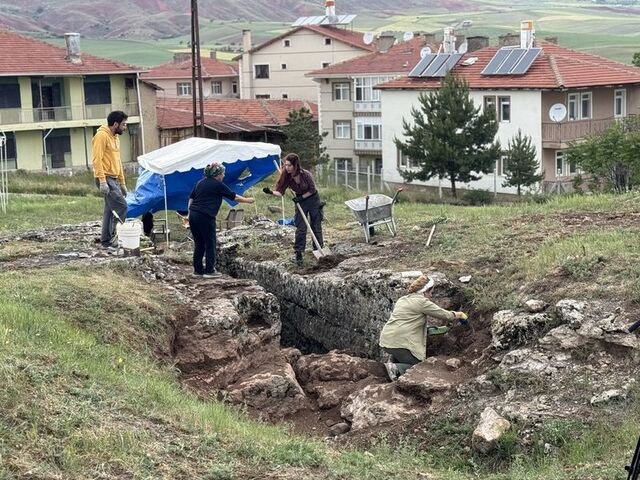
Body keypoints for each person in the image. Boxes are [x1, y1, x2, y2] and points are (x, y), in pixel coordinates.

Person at [379, 275, 468, 381]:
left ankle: (394, 361)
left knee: (402, 350)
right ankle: (394, 368)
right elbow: (445, 315)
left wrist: (428, 329)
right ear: (425, 291)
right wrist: (459, 314)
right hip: (399, 343)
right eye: (431, 292)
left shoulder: (403, 299)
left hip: (386, 340)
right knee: (418, 367)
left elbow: (405, 321)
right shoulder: (422, 302)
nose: (431, 295)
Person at [188, 162, 255, 278]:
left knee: (199, 243)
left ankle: (198, 271)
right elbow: (234, 196)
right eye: (222, 173)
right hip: (205, 216)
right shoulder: (217, 184)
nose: (224, 175)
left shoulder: (200, 182)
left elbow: (191, 198)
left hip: (193, 214)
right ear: (217, 174)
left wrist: (189, 213)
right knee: (210, 243)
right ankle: (209, 271)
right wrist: (248, 200)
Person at [263, 153, 324, 266]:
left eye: (289, 165)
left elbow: (312, 190)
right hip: (300, 202)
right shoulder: (286, 176)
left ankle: (318, 249)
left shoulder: (306, 174)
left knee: (316, 225)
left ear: (296, 165)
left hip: (313, 199)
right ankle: (299, 254)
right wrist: (270, 192)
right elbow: (280, 193)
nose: (287, 167)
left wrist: (301, 197)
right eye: (285, 165)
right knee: (301, 227)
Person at [92, 110, 129, 249]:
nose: (125, 127)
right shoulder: (101, 136)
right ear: (115, 124)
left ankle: (106, 240)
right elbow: (97, 160)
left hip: (114, 179)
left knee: (109, 209)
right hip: (105, 178)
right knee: (122, 206)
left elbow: (118, 161)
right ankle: (114, 236)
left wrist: (122, 183)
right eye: (123, 124)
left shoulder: (115, 138)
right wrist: (102, 181)